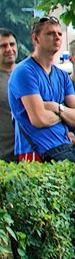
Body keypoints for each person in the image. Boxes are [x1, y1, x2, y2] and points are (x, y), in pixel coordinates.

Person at [8, 16, 75, 163]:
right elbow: (39, 119)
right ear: (35, 39)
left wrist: (55, 107)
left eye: (59, 34)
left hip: (63, 149)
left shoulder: (62, 75)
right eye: (50, 33)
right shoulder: (24, 71)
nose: (56, 37)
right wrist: (64, 116)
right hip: (36, 154)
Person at [0, 28, 16, 162]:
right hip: (4, 158)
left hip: (30, 156)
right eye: (3, 46)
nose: (9, 49)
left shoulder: (27, 74)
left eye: (12, 44)